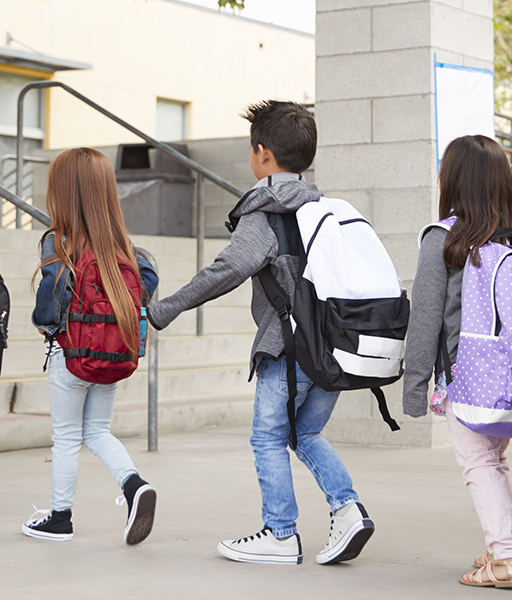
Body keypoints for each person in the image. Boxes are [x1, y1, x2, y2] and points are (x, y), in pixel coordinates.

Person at [147, 100, 376, 566]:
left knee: (268, 437)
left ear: (263, 153)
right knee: (305, 432)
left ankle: (280, 532)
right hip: (334, 347)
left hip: (289, 346)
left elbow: (230, 267)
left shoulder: (267, 210)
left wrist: (164, 309)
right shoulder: (324, 207)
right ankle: (348, 508)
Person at [402, 134, 512, 588]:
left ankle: (507, 558)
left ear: (453, 180)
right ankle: (500, 545)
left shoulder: (443, 239)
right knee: (493, 460)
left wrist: (414, 387)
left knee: (477, 463)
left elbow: (424, 319)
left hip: (468, 374)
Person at [21, 147, 159, 545]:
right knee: (97, 431)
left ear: (62, 193)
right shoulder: (127, 249)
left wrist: (45, 324)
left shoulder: (58, 243)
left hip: (71, 356)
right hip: (112, 353)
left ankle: (60, 517)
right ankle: (134, 486)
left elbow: (50, 302)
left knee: (65, 437)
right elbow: (147, 283)